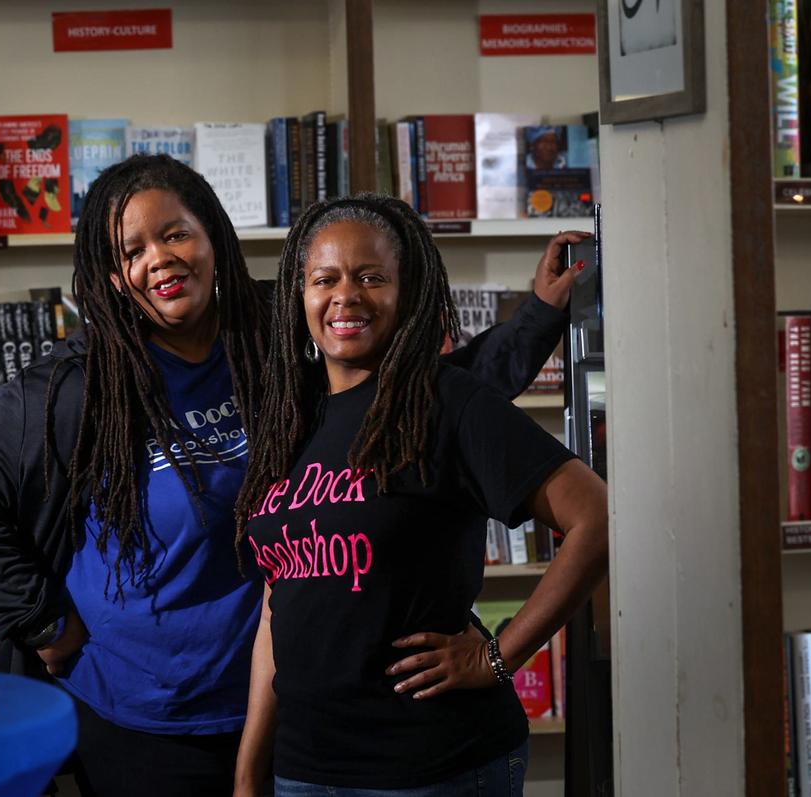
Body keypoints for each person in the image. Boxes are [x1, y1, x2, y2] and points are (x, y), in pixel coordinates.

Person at [0, 155, 585, 797]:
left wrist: (537, 319)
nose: (160, 259)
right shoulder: (78, 385)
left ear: (214, 238)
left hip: (291, 712)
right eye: (132, 250)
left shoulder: (282, 336)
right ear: (112, 275)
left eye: (176, 232)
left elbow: (423, 400)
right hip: (145, 724)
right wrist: (40, 618)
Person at [234, 195, 608, 796]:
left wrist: (496, 658)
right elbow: (282, 600)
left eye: (372, 277)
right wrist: (250, 767)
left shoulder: (446, 401)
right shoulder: (288, 419)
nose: (346, 295)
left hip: (431, 768)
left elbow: (597, 518)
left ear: (407, 292)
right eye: (324, 278)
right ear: (298, 296)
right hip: (303, 771)